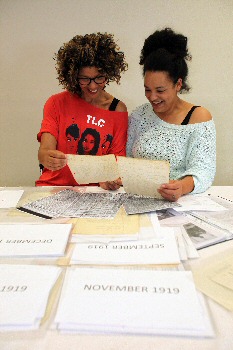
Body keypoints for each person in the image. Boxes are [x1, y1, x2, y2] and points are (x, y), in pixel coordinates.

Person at [127, 28, 216, 201]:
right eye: (147, 89)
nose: (152, 97)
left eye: (160, 90)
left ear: (178, 84)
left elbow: (203, 171)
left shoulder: (199, 118)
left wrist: (182, 187)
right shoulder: (139, 116)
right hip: (139, 200)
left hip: (181, 203)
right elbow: (126, 160)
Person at [36, 32, 128, 190]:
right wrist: (47, 158)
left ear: (109, 74)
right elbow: (44, 151)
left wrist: (111, 180)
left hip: (96, 192)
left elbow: (117, 162)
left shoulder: (117, 110)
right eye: (84, 79)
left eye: (99, 78)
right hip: (54, 188)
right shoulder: (56, 103)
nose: (92, 86)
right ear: (73, 76)